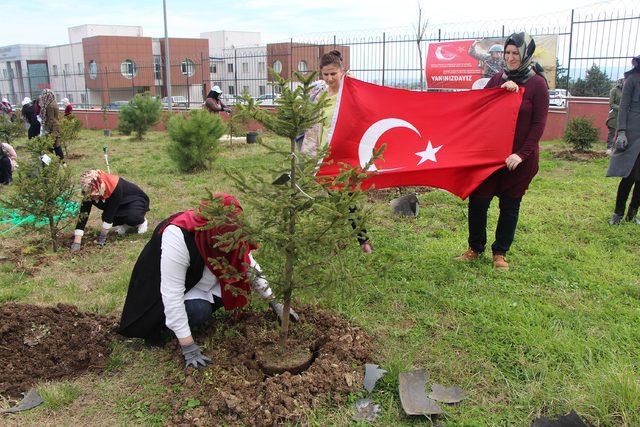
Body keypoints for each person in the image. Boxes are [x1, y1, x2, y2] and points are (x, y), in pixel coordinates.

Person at [118, 193, 298, 369]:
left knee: (231, 290)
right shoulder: (178, 235)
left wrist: (274, 302)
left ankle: (197, 311)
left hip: (206, 280)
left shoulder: (233, 231)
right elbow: (171, 293)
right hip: (166, 290)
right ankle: (167, 328)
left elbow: (249, 265)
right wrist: (188, 347)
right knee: (198, 311)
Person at [456, 32, 549, 270]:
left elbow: (538, 124)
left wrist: (521, 154)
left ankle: (500, 253)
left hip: (518, 159)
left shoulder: (538, 84)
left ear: (526, 53)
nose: (510, 58)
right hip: (491, 156)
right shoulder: (497, 79)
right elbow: (479, 106)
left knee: (510, 205)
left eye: (515, 53)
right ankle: (475, 248)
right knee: (478, 202)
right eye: (507, 53)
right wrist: (501, 93)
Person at [299, 50, 373, 254]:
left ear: (342, 71)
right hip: (325, 155)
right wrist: (311, 156)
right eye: (325, 74)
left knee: (347, 197)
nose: (330, 78)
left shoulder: (351, 93)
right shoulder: (319, 95)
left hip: (346, 154)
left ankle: (363, 241)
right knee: (334, 198)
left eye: (333, 73)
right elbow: (314, 126)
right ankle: (340, 238)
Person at [71, 170, 149, 251]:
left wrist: (102, 238)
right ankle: (126, 224)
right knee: (105, 217)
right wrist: (77, 241)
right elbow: (84, 214)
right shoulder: (88, 190)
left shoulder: (114, 186)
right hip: (120, 205)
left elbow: (110, 214)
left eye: (94, 195)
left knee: (132, 217)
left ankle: (141, 222)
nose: (92, 197)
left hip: (134, 200)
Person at [606, 55, 640, 225]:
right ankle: (618, 214)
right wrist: (622, 133)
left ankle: (632, 214)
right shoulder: (632, 79)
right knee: (630, 176)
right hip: (632, 134)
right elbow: (624, 108)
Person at [39, 89, 64, 159]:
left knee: (52, 146)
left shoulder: (50, 105)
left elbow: (50, 119)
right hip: (54, 127)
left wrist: (47, 130)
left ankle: (54, 162)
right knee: (54, 145)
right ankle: (57, 162)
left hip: (52, 128)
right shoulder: (53, 102)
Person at [606, 79, 624, 155]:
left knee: (621, 132)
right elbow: (611, 104)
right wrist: (620, 107)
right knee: (612, 132)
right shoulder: (614, 90)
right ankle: (609, 148)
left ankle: (617, 148)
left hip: (624, 114)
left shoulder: (628, 91)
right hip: (615, 114)